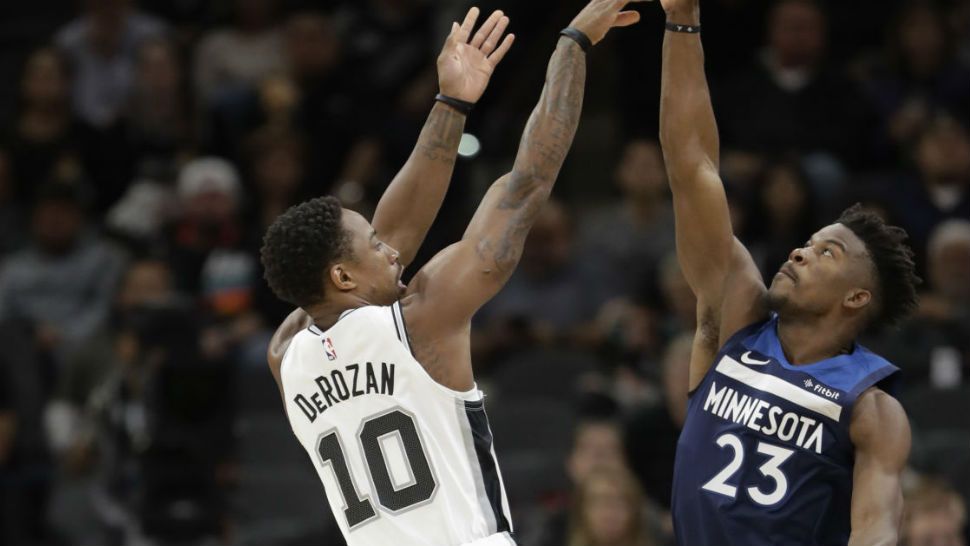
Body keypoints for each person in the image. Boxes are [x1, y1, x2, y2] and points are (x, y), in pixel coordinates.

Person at [260, 3, 643, 545]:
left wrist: (452, 102)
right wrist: (573, 44)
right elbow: (527, 183)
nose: (391, 251)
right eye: (373, 245)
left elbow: (394, 231)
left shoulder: (284, 355)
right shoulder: (421, 322)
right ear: (344, 278)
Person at [656, 0, 919, 544]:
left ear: (856, 298)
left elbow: (876, 530)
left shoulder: (872, 410)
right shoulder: (735, 319)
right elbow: (691, 165)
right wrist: (682, 23)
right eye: (806, 242)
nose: (800, 253)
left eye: (828, 253)